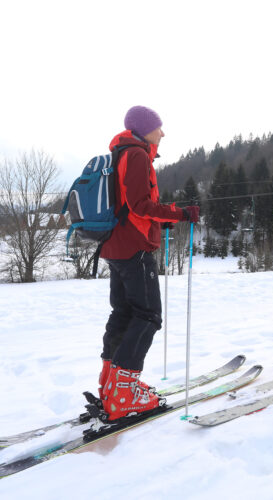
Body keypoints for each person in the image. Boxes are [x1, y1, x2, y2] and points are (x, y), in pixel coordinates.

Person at [97, 105, 200, 421]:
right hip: (134, 248)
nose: (163, 133)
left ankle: (111, 383)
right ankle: (123, 392)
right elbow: (140, 205)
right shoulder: (137, 155)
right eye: (158, 127)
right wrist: (179, 214)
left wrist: (163, 220)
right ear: (144, 130)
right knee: (148, 315)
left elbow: (129, 206)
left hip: (116, 245)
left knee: (124, 312)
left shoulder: (120, 154)